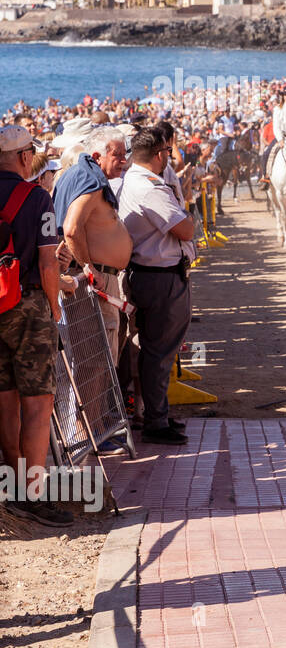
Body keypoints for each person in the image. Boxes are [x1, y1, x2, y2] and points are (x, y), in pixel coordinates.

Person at [0, 126, 67, 527]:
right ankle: (34, 495)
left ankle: (12, 484)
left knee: (5, 399)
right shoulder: (38, 197)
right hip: (27, 304)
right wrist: (55, 308)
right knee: (38, 404)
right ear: (26, 157)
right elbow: (47, 262)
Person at [118, 125, 195, 446]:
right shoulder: (150, 186)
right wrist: (187, 214)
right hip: (159, 276)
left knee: (156, 352)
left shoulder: (136, 181)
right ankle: (155, 420)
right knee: (159, 352)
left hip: (152, 273)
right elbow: (185, 229)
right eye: (166, 152)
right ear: (157, 154)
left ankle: (157, 414)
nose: (169, 157)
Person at [54, 127, 132, 364]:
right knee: (97, 362)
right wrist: (90, 268)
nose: (123, 160)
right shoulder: (91, 179)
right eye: (117, 155)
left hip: (89, 276)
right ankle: (97, 405)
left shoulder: (78, 173)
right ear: (97, 156)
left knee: (92, 359)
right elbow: (71, 228)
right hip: (95, 280)